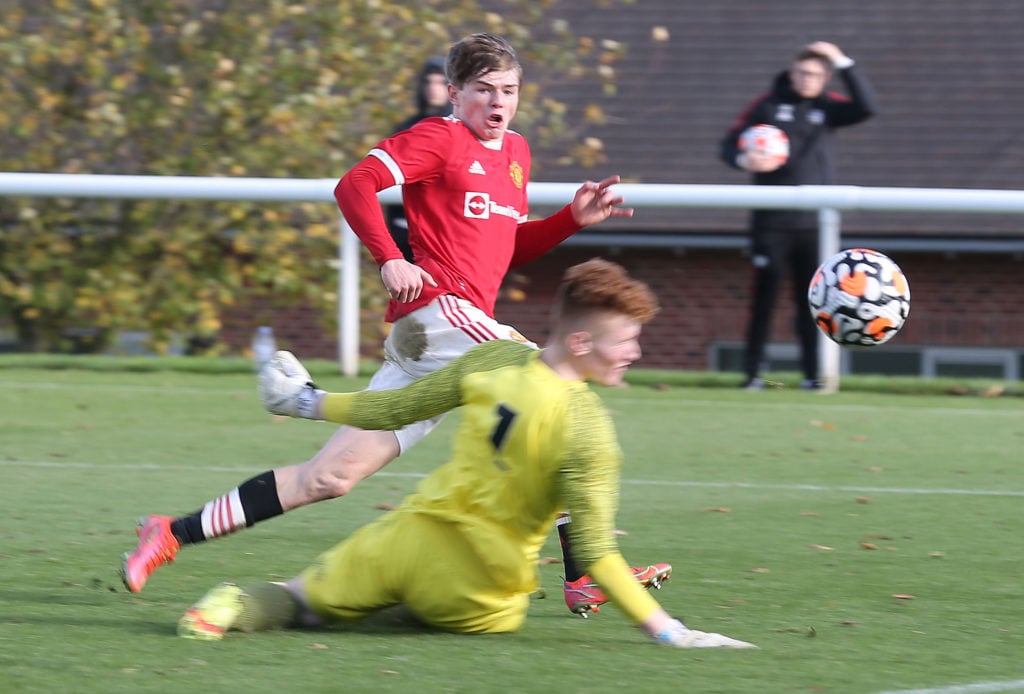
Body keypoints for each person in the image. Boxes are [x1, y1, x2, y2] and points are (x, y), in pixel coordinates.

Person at [121, 33, 668, 615]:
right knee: (548, 381)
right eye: (483, 90)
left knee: (328, 478)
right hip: (438, 314)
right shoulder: (439, 137)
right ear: (455, 93)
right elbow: (353, 185)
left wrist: (568, 221)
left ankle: (172, 532)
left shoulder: (516, 153)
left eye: (509, 91)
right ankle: (584, 572)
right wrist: (391, 258)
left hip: (446, 339)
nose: (498, 103)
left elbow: (504, 247)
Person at [177, 259, 756, 650]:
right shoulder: (589, 428)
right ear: (581, 343)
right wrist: (674, 633)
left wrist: (307, 401)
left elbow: (391, 411)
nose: (635, 351)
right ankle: (375, 607)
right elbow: (598, 555)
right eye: (626, 340)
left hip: (406, 539)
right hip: (480, 590)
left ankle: (223, 606)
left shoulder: (492, 360)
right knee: (439, 618)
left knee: (300, 599)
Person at [720, 41, 877, 390]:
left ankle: (813, 375)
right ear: (792, 73)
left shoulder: (827, 107)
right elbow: (729, 144)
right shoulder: (767, 106)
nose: (808, 79)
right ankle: (754, 375)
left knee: (815, 301)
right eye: (803, 72)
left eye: (818, 74)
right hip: (771, 222)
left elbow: (868, 107)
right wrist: (743, 159)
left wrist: (843, 60)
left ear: (825, 78)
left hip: (815, 225)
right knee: (765, 298)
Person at [385, 56, 453, 262]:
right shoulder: (405, 130)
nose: (433, 88)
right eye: (428, 82)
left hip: (447, 233)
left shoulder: (462, 130)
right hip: (406, 231)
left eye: (441, 82)